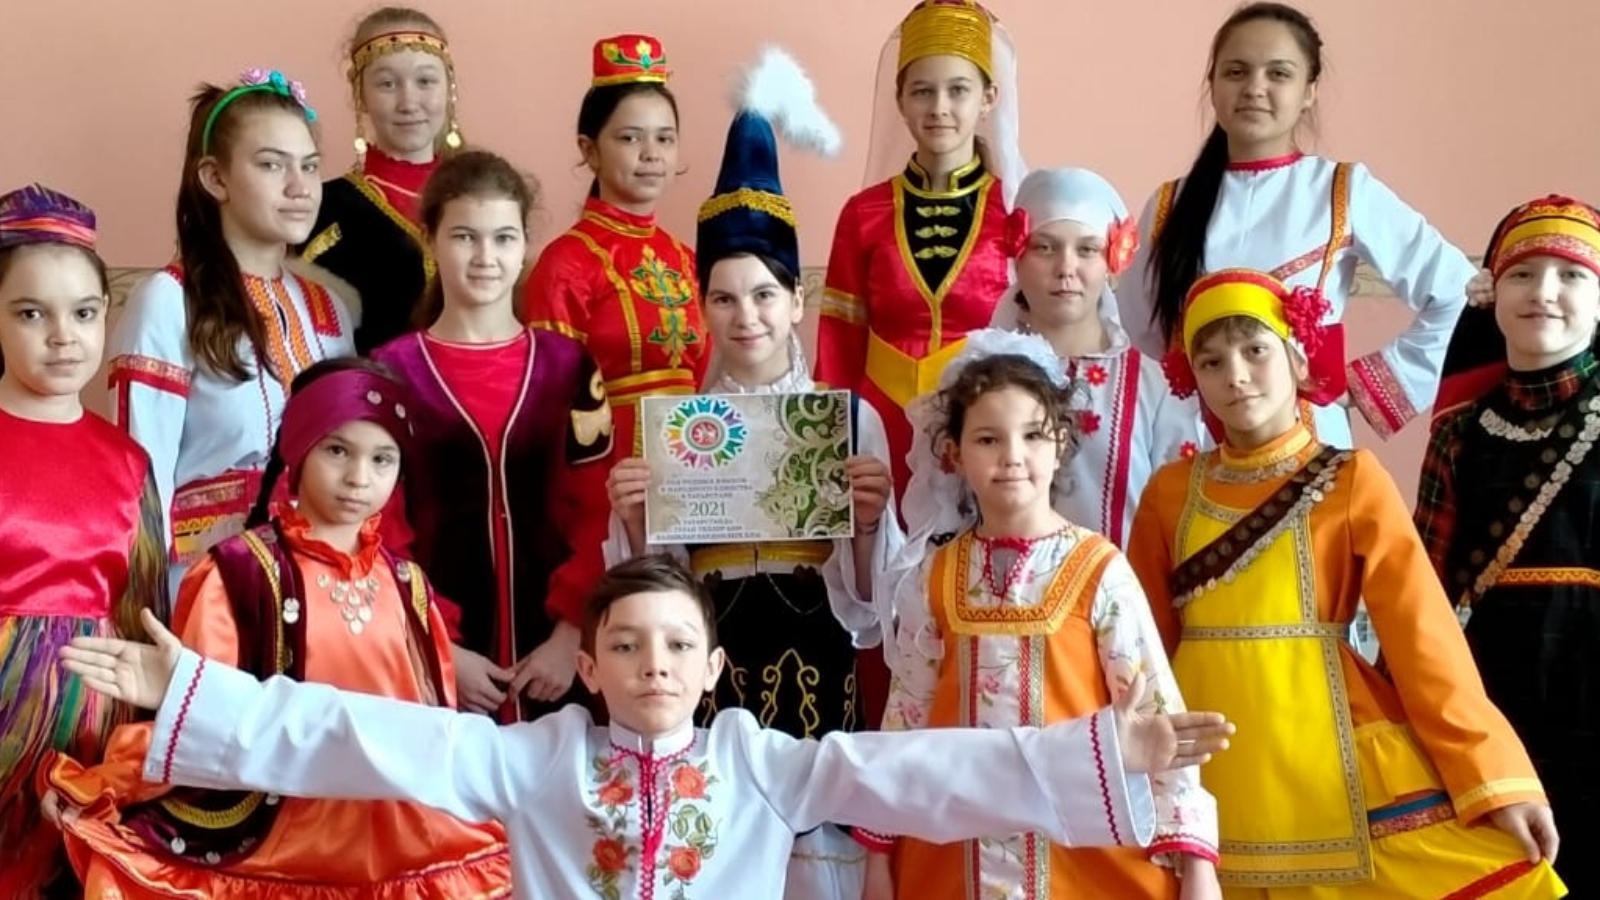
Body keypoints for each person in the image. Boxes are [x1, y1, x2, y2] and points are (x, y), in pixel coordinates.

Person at [56, 554, 1238, 900]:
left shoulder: (761, 764)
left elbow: (922, 772)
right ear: (588, 667)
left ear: (715, 668)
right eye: (624, 645)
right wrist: (199, 692)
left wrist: (1110, 749)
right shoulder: (534, 758)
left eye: (676, 646)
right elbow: (360, 737)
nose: (652, 665)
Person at [1126, 267, 1565, 898]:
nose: (1236, 375)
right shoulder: (1169, 492)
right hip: (1205, 746)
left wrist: (1494, 776)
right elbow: (1142, 643)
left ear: (1299, 358)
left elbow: (1422, 635)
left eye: (1255, 350)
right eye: (1212, 362)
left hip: (1326, 737)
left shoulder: (1352, 478)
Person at [41, 358, 511, 899]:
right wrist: (110, 783)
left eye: (382, 459)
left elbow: (434, 730)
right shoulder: (238, 575)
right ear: (299, 448)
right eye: (338, 451)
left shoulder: (409, 586)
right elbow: (200, 718)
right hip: (273, 836)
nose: (359, 478)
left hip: (408, 835)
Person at [603, 46, 900, 898]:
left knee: (814, 843)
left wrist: (869, 526)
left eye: (765, 294)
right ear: (702, 307)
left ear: (797, 300)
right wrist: (635, 518)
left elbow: (874, 611)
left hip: (817, 650)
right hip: (714, 656)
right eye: (725, 298)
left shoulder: (848, 420)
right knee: (719, 842)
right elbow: (652, 590)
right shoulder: (671, 426)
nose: (747, 317)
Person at [872, 329, 1220, 900]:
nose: (1012, 456)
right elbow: (904, 720)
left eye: (1032, 435)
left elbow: (1157, 715)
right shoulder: (930, 578)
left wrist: (1196, 862)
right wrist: (879, 854)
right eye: (988, 438)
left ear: (1060, 443)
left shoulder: (1101, 570)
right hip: (954, 855)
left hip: (1085, 857)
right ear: (955, 453)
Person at [1114, 2, 1474, 449]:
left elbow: (1461, 294)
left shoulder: (1343, 189)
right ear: (1213, 84)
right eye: (1236, 72)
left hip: (1305, 443)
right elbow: (1131, 334)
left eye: (1278, 74)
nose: (1254, 88)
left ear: (1309, 91)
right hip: (1190, 442)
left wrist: (1368, 383)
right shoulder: (1170, 204)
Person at [372, 149, 614, 721]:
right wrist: (438, 648)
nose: (486, 257)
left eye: (504, 238)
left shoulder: (569, 368)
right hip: (434, 664)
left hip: (556, 665)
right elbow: (378, 530)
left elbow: (598, 511)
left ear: (525, 244)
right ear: (430, 239)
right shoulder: (389, 373)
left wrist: (570, 634)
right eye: (465, 237)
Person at [106, 68, 356, 596]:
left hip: (316, 587)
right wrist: (149, 619)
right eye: (271, 165)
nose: (300, 187)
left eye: (310, 166)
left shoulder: (328, 311)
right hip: (205, 591)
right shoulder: (169, 302)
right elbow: (139, 483)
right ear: (215, 179)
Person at [1417, 195, 1600, 897]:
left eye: (1571, 275)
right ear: (1494, 293)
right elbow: (1424, 584)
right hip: (1490, 695)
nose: (1543, 293)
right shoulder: (1458, 431)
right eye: (1522, 274)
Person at [0, 184, 168, 900]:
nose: (63, 336)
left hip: (90, 743)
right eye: (31, 313)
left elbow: (144, 616)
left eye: (84, 312)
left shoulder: (128, 463)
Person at [815, 0, 1025, 495]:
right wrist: (833, 438)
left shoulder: (1016, 210)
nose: (939, 108)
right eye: (922, 91)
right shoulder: (864, 212)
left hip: (983, 430)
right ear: (900, 99)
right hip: (878, 429)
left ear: (989, 98)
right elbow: (839, 341)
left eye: (958, 90)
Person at [991, 167, 1203, 547]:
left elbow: (1182, 516)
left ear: (1112, 264)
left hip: (1123, 584)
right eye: (1045, 247)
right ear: (1017, 257)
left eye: (1087, 249)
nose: (1065, 268)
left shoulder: (1155, 388)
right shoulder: (980, 379)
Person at [522, 34, 707, 460]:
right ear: (589, 150)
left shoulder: (687, 259)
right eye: (630, 138)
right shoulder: (567, 263)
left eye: (665, 139)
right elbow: (550, 400)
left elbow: (712, 375)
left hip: (696, 467)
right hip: (604, 472)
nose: (652, 154)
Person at [301, 6, 465, 353]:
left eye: (425, 81)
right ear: (360, 95)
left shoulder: (484, 196)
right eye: (387, 84)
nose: (408, 102)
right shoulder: (323, 209)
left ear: (450, 88)